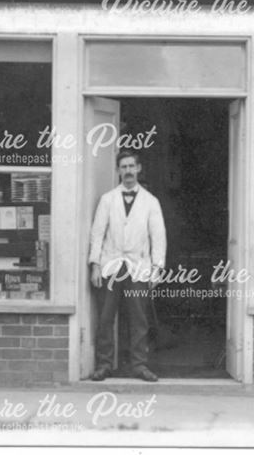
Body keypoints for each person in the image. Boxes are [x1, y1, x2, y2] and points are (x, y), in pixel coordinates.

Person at [88, 150, 167, 382]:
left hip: (138, 267)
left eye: (132, 166)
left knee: (139, 318)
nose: (128, 171)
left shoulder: (151, 202)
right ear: (118, 171)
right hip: (109, 266)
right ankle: (104, 365)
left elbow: (158, 237)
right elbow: (97, 234)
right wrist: (94, 265)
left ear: (139, 169)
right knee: (105, 318)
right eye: (123, 167)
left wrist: (157, 268)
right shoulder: (107, 199)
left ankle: (139, 366)